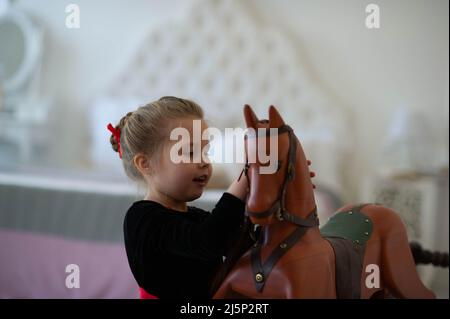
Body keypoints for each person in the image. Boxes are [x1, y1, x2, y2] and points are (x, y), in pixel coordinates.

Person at [108, 96, 250, 299]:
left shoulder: (195, 217)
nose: (204, 162)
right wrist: (244, 178)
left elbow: (241, 243)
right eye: (190, 152)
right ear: (145, 164)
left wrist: (282, 186)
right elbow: (209, 240)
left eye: (205, 151)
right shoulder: (142, 218)